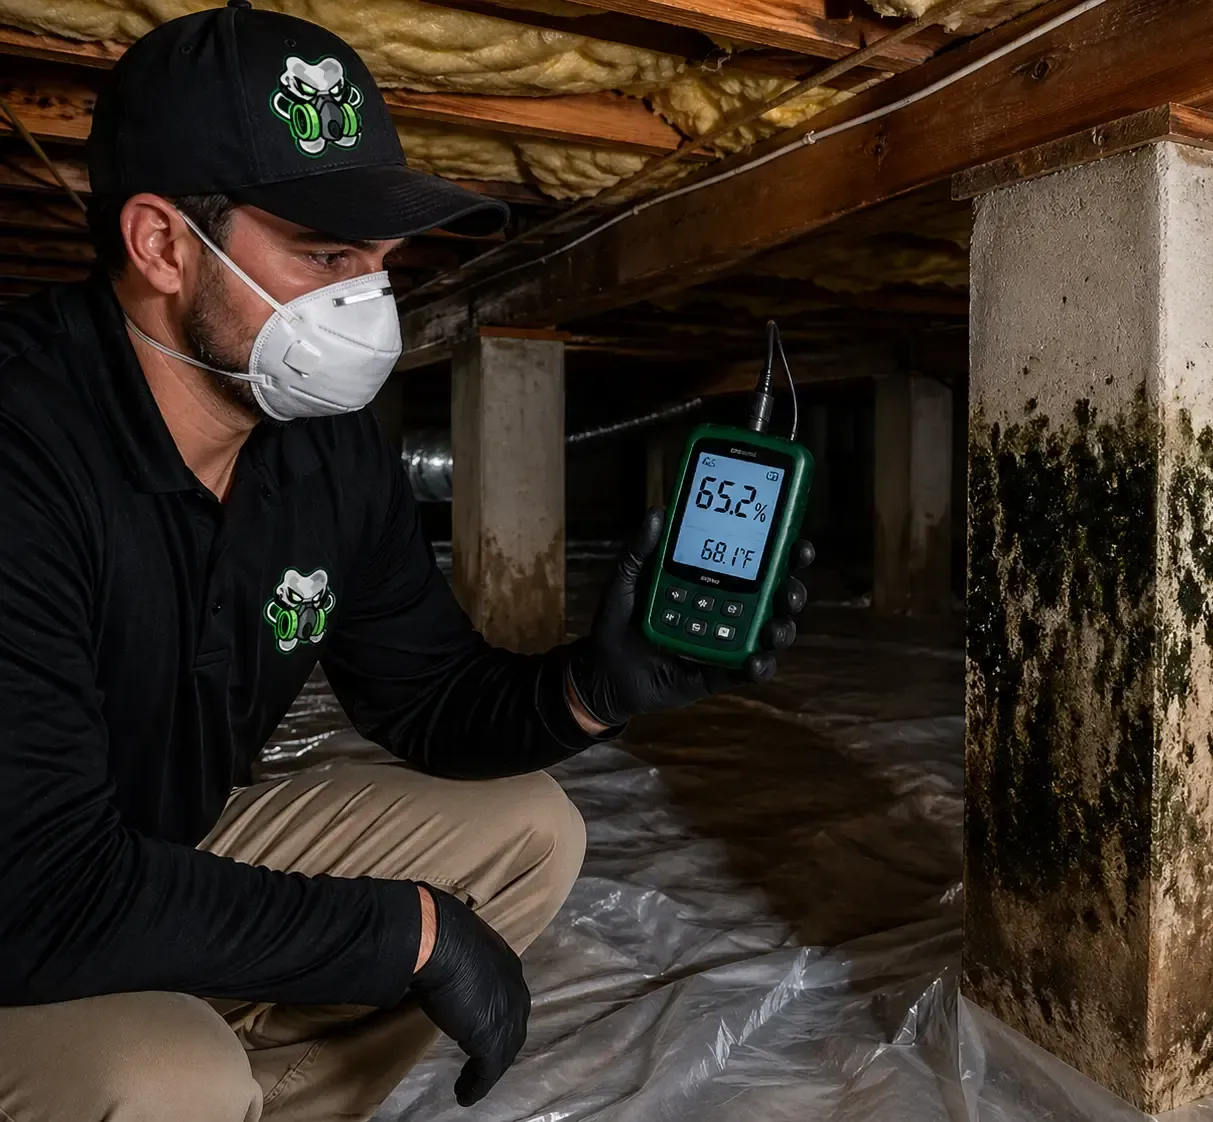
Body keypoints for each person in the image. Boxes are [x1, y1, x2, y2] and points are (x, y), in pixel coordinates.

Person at [0, 4, 813, 1119]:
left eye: (380, 260)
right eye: (326, 254)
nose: (367, 301)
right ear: (162, 244)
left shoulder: (325, 449)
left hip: (141, 847)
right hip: (24, 886)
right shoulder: (24, 448)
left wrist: (598, 684)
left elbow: (430, 698)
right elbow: (38, 889)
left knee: (528, 833)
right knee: (156, 1070)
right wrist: (405, 934)